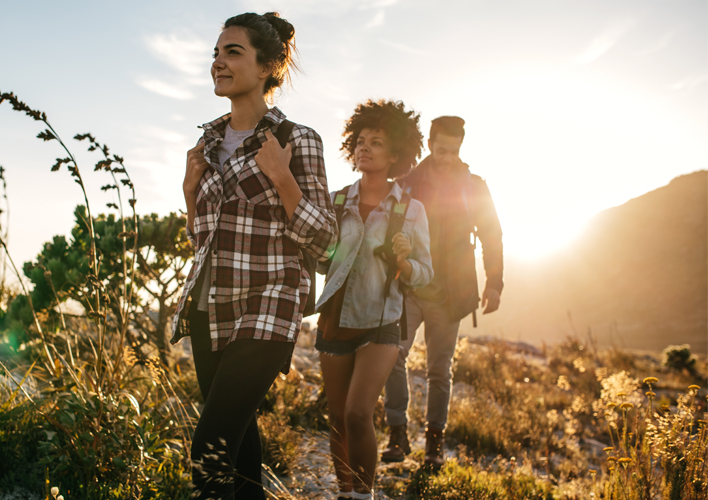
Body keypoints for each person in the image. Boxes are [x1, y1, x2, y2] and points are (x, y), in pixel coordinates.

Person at [171, 11, 337, 500]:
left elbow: (326, 240)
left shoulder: (295, 139)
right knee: (237, 448)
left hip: (270, 303)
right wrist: (188, 193)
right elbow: (203, 240)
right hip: (210, 307)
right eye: (216, 53)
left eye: (232, 52)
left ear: (266, 67)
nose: (218, 63)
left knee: (209, 444)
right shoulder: (208, 143)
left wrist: (283, 180)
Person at [316, 100, 433, 500]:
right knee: (336, 419)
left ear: (396, 153)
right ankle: (344, 492)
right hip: (334, 317)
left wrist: (403, 259)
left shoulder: (411, 210)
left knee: (357, 412)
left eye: (377, 142)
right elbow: (322, 263)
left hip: (382, 320)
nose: (365, 148)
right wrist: (322, 251)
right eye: (361, 141)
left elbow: (424, 273)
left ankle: (363, 495)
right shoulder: (335, 202)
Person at [380, 115, 504, 468]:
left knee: (439, 370)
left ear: (460, 147)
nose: (447, 156)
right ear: (431, 143)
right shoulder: (407, 182)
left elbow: (492, 234)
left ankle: (434, 443)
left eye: (453, 150)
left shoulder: (474, 186)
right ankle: (397, 434)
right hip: (408, 285)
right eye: (441, 149)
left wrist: (494, 283)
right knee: (392, 356)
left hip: (452, 294)